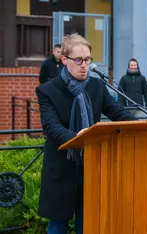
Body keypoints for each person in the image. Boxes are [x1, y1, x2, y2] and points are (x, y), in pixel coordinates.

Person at [36, 33, 137, 234]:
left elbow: (117, 112)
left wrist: (141, 125)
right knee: (57, 226)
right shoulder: (47, 90)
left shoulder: (96, 85)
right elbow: (51, 127)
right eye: (78, 60)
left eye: (88, 59)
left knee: (89, 223)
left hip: (92, 166)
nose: (84, 65)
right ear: (64, 60)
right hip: (61, 167)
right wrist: (80, 139)